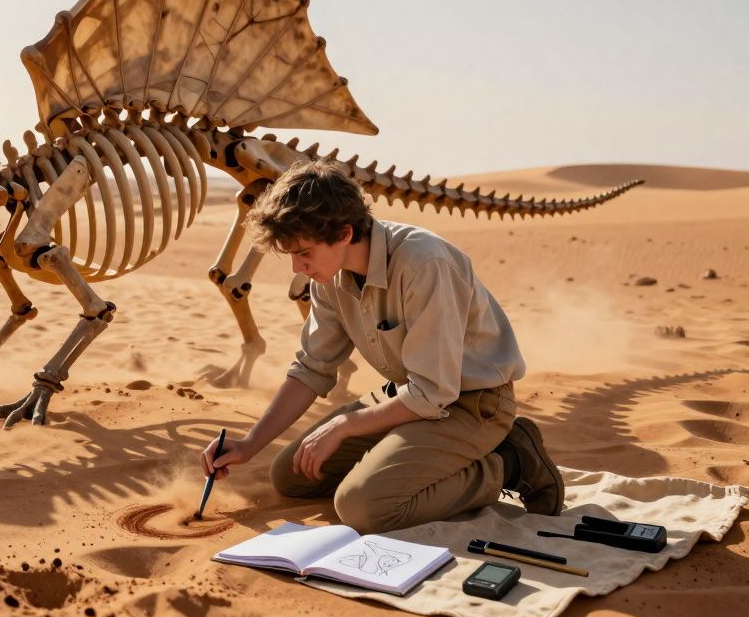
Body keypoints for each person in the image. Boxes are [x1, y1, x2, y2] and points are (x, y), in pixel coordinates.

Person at [199, 161, 563, 534]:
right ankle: (399, 461)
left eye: (304, 252)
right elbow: (312, 369)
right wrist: (248, 444)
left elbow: (434, 391)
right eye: (290, 254)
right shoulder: (328, 277)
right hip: (408, 397)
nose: (297, 267)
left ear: (343, 232)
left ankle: (509, 462)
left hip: (470, 403)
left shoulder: (423, 264)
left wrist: (345, 425)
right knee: (292, 477)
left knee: (365, 507)